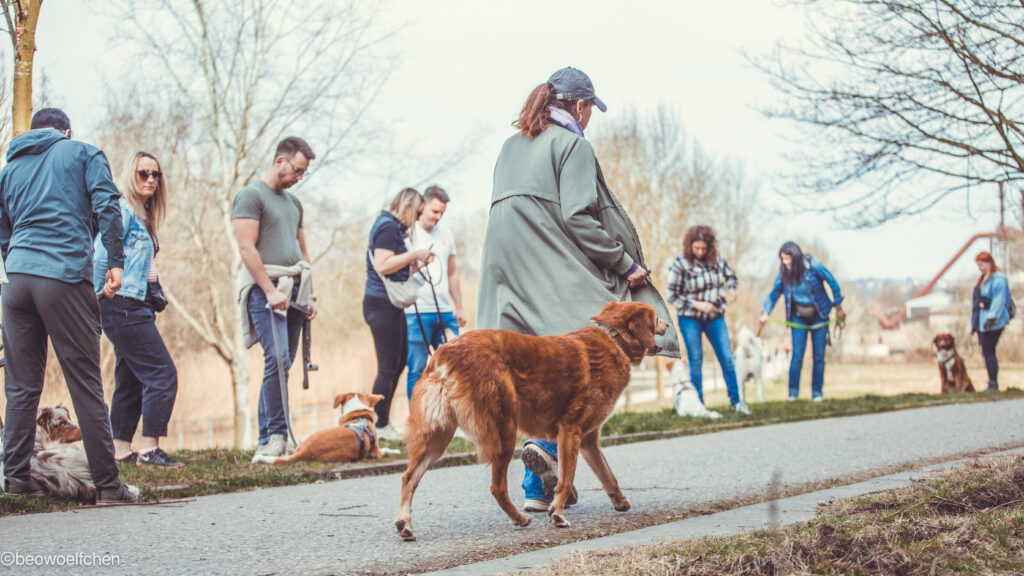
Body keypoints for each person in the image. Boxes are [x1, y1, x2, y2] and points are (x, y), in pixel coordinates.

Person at [477, 67, 680, 512]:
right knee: (587, 353)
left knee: (531, 370)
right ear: (582, 106)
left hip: (501, 271)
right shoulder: (572, 145)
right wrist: (625, 265)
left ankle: (537, 490)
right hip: (545, 263)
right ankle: (549, 451)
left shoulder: (510, 145)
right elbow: (577, 218)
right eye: (591, 112)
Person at [0, 108, 138, 503]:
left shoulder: (9, 170)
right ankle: (110, 487)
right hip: (62, 275)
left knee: (21, 386)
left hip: (17, 280)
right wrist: (115, 261)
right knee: (85, 384)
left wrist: (17, 262)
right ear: (66, 130)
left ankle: (16, 479)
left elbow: (2, 227)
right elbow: (108, 206)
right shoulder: (83, 153)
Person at [94, 152, 181, 468]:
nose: (150, 180)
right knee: (162, 373)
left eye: (155, 175)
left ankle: (120, 448)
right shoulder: (122, 210)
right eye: (143, 173)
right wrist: (97, 292)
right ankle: (150, 449)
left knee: (130, 376)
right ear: (131, 175)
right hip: (123, 303)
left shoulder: (144, 215)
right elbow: (101, 253)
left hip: (135, 304)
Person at [234, 137, 318, 462]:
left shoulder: (294, 204)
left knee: (282, 365)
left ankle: (267, 438)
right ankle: (277, 436)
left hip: (296, 289)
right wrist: (269, 290)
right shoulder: (250, 196)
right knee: (278, 358)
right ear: (280, 161)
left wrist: (310, 295)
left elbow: (303, 250)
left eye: (303, 173)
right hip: (266, 290)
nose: (299, 177)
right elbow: (246, 248)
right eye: (297, 170)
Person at [364, 188, 434, 440]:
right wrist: (414, 254)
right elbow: (383, 264)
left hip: (391, 304)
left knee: (399, 361)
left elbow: (394, 271)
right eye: (416, 213)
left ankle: (381, 424)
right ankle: (377, 425)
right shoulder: (387, 227)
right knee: (387, 367)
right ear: (406, 206)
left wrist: (416, 265)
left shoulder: (392, 227)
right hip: (380, 304)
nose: (415, 220)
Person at [666, 225, 749, 414]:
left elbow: (731, 276)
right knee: (696, 360)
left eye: (704, 248)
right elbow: (671, 295)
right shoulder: (680, 263)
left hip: (715, 317)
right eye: (697, 248)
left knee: (727, 358)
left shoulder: (716, 259)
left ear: (709, 246)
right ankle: (699, 405)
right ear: (690, 246)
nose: (700, 252)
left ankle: (737, 402)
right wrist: (696, 304)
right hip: (689, 318)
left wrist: (732, 289)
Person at [759, 242, 845, 401]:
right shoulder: (784, 272)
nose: (785, 262)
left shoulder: (813, 266)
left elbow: (832, 282)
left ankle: (817, 394)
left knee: (818, 356)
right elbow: (774, 293)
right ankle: (793, 394)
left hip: (819, 315)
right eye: (782, 259)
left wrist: (838, 306)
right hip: (799, 317)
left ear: (796, 257)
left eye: (787, 259)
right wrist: (765, 312)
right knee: (797, 355)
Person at [403, 185, 467, 399]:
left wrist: (459, 307)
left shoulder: (446, 234)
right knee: (417, 368)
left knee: (456, 366)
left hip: (444, 310)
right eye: (434, 211)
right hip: (415, 311)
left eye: (442, 213)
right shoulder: (408, 233)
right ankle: (417, 420)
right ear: (423, 207)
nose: (438, 217)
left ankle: (455, 419)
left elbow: (452, 273)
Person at [971, 251, 1010, 392]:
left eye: (981, 265)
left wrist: (990, 317)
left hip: (993, 323)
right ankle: (991, 382)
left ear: (989, 263)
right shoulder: (984, 279)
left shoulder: (999, 279)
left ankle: (993, 383)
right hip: (982, 322)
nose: (979, 268)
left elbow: (999, 301)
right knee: (986, 352)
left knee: (989, 351)